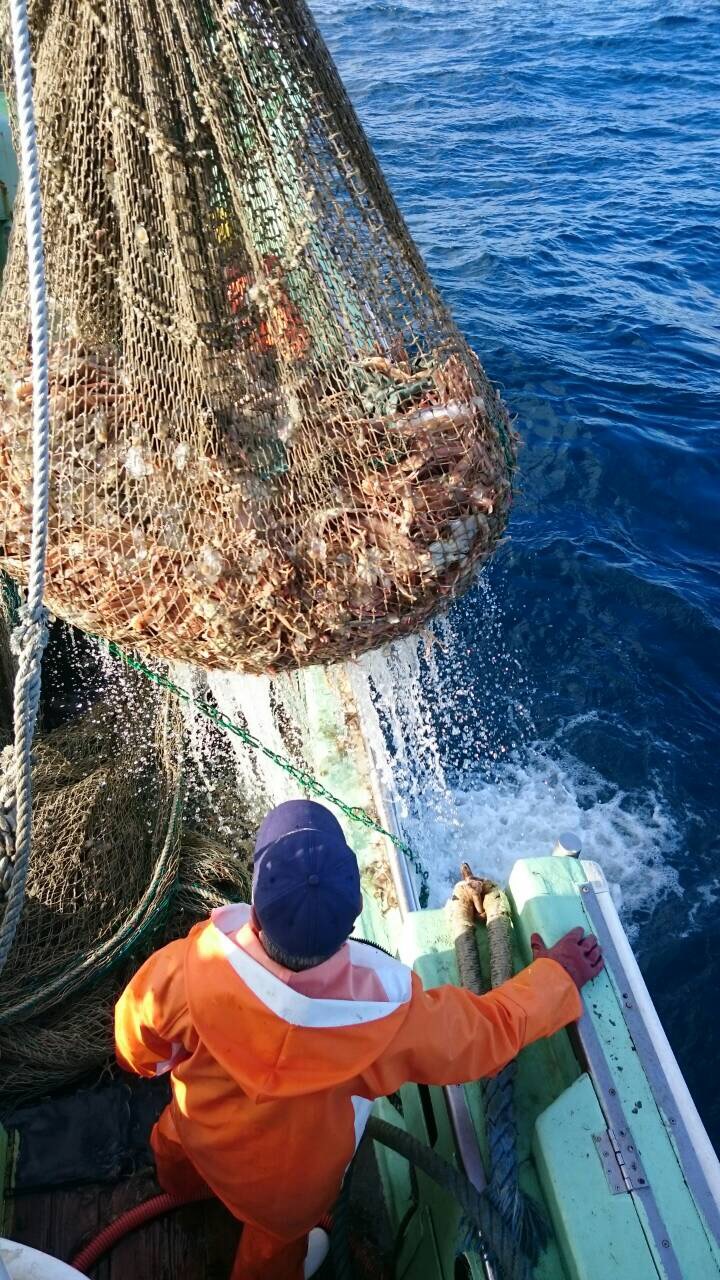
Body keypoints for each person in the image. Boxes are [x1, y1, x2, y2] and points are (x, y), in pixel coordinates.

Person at [115, 799, 603, 1280]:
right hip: (287, 1194)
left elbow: (134, 1040)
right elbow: (485, 1034)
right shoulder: (385, 1020)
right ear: (350, 925)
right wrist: (559, 975)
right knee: (274, 1252)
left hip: (198, 1134)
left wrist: (150, 1063)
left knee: (173, 1143)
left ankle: (177, 1189)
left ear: (257, 916)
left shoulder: (186, 969)